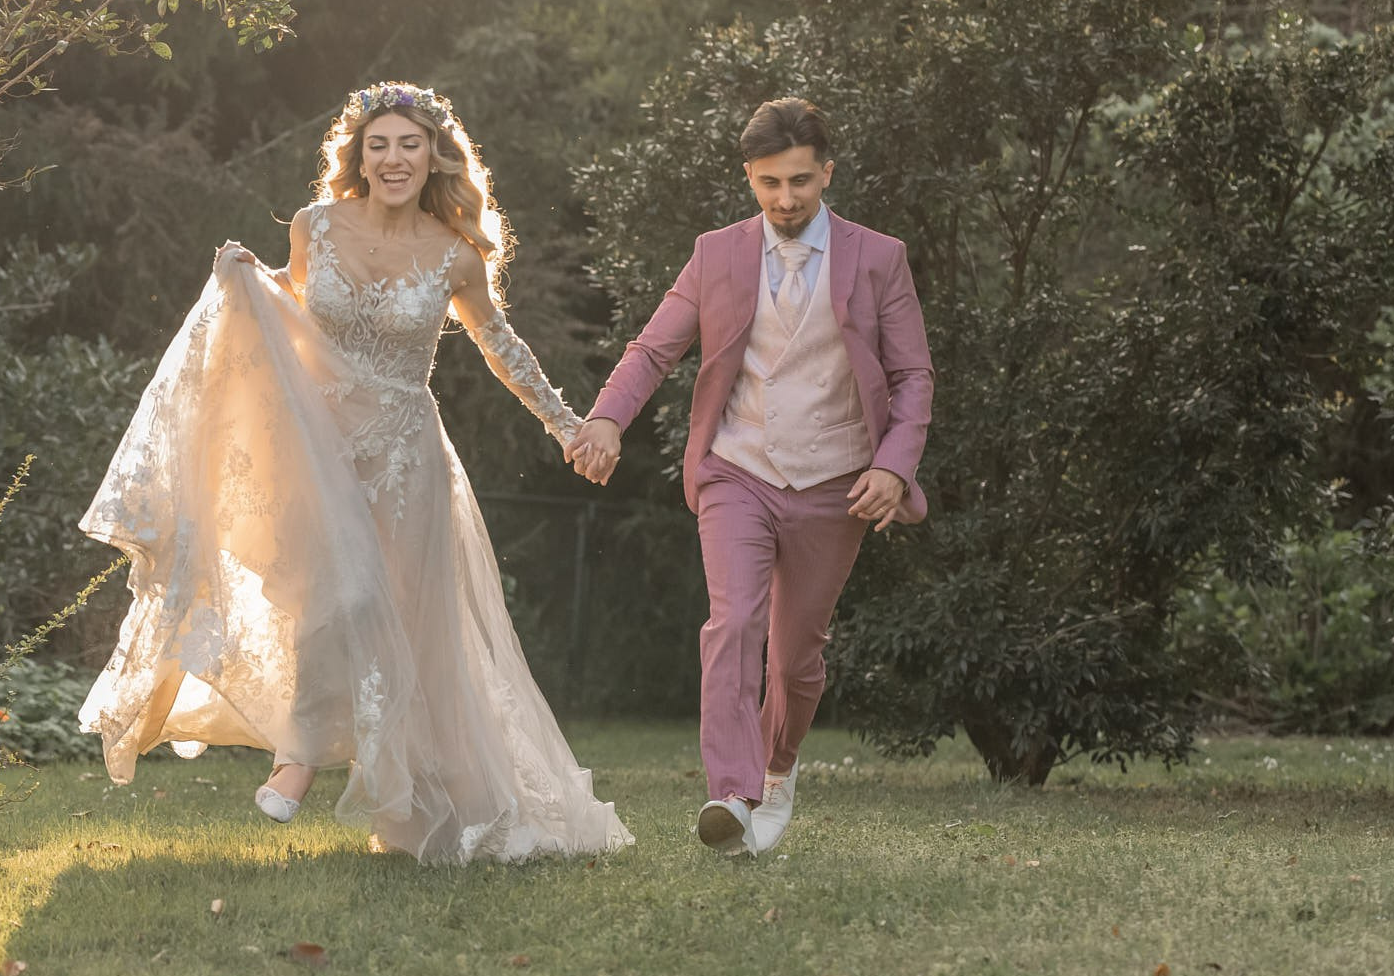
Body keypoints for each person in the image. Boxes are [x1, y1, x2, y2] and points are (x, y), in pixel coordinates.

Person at [77, 82, 632, 864]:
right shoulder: (316, 226)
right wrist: (250, 279)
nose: (394, 158)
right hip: (319, 445)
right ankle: (300, 757)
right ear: (359, 155)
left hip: (404, 454)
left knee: (394, 612)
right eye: (379, 145)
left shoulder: (454, 255)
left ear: (434, 155)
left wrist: (567, 424)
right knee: (330, 597)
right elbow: (295, 314)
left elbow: (502, 348)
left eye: (409, 144)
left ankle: (438, 795)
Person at [567, 97, 933, 858]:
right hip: (738, 467)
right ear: (749, 178)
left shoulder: (879, 256)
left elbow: (913, 375)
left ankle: (779, 765)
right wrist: (606, 417)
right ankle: (730, 793)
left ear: (827, 173)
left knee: (797, 656)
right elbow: (652, 349)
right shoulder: (717, 254)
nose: (786, 199)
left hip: (837, 482)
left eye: (801, 181)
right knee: (732, 622)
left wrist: (894, 468)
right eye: (770, 183)